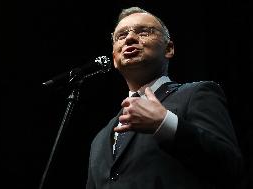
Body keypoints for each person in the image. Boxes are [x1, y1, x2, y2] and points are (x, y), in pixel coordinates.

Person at [86, 6, 243, 189]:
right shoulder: (100, 139)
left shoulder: (196, 94)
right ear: (114, 58)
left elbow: (231, 168)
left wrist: (165, 124)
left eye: (143, 32)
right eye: (121, 36)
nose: (129, 38)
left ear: (169, 49)